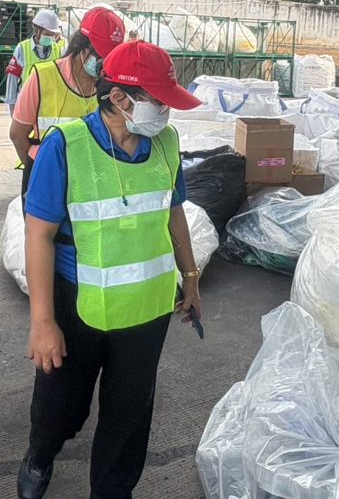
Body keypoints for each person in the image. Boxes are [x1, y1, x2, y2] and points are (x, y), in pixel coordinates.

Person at [17, 40, 204, 499]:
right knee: (61, 407)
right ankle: (40, 454)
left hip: (147, 309)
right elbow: (38, 235)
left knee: (129, 415)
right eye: (158, 101)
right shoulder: (65, 146)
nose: (165, 112)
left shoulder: (167, 143)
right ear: (120, 98)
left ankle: (113, 492)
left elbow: (174, 210)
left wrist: (191, 277)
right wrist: (43, 322)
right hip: (78, 306)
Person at [9, 6, 125, 202]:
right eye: (100, 55)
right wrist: (40, 170)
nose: (104, 63)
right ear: (81, 45)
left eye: (110, 57)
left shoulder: (111, 85)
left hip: (94, 183)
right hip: (48, 181)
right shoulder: (42, 77)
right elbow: (17, 134)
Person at [5, 8, 65, 112]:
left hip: (50, 106)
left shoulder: (58, 50)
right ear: (37, 30)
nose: (50, 38)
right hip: (28, 105)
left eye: (52, 35)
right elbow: (13, 78)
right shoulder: (23, 49)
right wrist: (12, 104)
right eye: (47, 34)